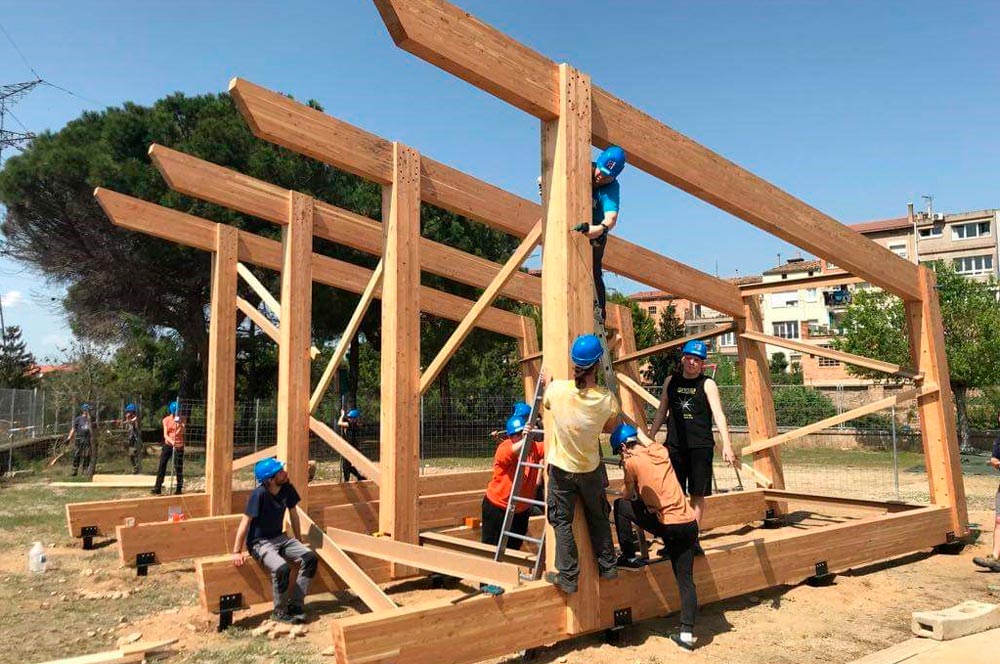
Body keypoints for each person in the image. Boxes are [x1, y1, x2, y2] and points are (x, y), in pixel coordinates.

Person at [610, 423, 700, 652]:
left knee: (620, 505)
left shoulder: (631, 462)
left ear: (623, 447)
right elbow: (646, 439)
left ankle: (629, 556)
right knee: (686, 580)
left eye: (619, 452)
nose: (620, 457)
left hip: (668, 526)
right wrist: (635, 427)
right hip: (689, 524)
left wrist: (630, 491)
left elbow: (628, 494)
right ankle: (687, 633)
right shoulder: (660, 451)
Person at [540, 333, 620, 593]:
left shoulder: (557, 390)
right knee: (598, 517)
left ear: (574, 363)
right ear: (597, 364)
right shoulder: (606, 400)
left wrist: (547, 383)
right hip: (590, 470)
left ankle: (568, 577)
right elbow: (610, 426)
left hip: (562, 471)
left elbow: (549, 402)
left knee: (561, 522)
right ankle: (608, 566)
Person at [649, 339, 736, 530]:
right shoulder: (670, 381)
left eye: (697, 360)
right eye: (689, 358)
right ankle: (676, 534)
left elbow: (719, 415)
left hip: (700, 447)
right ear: (683, 359)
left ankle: (691, 537)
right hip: (675, 446)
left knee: (697, 494)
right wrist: (650, 436)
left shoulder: (707, 384)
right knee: (675, 493)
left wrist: (727, 445)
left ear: (703, 363)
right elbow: (661, 411)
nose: (692, 363)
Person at [231, 458, 318, 624]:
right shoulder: (259, 494)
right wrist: (237, 551)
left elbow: (294, 515)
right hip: (259, 542)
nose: (284, 473)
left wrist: (298, 540)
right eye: (280, 472)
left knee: (310, 558)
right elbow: (245, 522)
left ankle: (296, 604)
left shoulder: (287, 488)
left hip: (281, 537)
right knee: (281, 568)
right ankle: (279, 612)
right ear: (269, 479)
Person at [573, 145, 626, 322]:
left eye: (606, 175)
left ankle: (599, 312)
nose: (600, 176)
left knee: (594, 270)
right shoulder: (583, 169)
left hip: (594, 231)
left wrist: (600, 229)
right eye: (600, 171)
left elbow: (611, 218)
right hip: (572, 226)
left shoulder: (611, 189)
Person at [482, 414, 546, 549]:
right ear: (510, 437)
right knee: (491, 549)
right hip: (497, 508)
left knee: (513, 550)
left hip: (520, 511)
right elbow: (513, 451)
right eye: (514, 435)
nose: (517, 437)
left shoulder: (534, 448)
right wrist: (526, 438)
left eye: (520, 433)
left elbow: (551, 446)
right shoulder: (505, 447)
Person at [973, 413, 1000, 572]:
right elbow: (995, 459)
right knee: (999, 520)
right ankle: (995, 558)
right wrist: (995, 462)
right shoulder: (998, 440)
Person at [151, 401, 185, 495]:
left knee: (178, 467)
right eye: (176, 412)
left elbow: (181, 431)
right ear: (172, 411)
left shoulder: (182, 419)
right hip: (168, 444)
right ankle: (157, 487)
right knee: (162, 465)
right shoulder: (166, 420)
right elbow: (165, 435)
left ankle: (179, 488)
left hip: (179, 446)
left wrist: (179, 424)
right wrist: (171, 441)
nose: (178, 413)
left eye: (179, 411)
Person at [336, 408, 365, 482]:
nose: (349, 419)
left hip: (348, 448)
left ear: (355, 419)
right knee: (347, 465)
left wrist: (342, 415)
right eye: (349, 417)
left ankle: (347, 480)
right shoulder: (356, 425)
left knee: (346, 465)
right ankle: (359, 477)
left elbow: (339, 423)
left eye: (351, 418)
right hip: (352, 447)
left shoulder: (350, 424)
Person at [67, 403, 94, 477]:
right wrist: (69, 437)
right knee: (77, 454)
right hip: (79, 438)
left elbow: (94, 429)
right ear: (84, 410)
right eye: (87, 410)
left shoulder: (91, 419)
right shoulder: (78, 419)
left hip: (87, 439)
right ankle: (74, 470)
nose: (88, 411)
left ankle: (85, 470)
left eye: (89, 410)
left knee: (87, 455)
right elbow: (73, 429)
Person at [124, 403, 142, 474]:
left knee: (135, 453)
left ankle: (137, 467)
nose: (127, 413)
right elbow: (126, 426)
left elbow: (132, 422)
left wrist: (128, 419)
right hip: (130, 438)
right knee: (131, 454)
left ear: (132, 411)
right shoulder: (129, 418)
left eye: (129, 411)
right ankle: (135, 467)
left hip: (136, 438)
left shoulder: (136, 418)